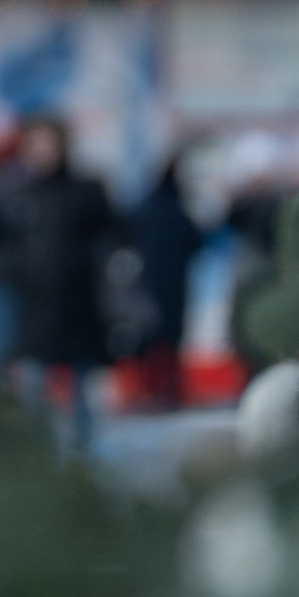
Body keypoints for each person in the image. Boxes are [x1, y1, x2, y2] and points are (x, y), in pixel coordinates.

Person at [0, 117, 115, 459]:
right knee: (33, 389)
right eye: (34, 146)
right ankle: (36, 459)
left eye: (47, 145)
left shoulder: (85, 191)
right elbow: (3, 245)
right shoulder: (19, 195)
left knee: (80, 391)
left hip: (79, 304)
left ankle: (84, 458)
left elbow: (113, 236)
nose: (41, 153)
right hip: (35, 307)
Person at [127, 153, 203, 409]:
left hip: (147, 282)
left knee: (147, 337)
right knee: (170, 339)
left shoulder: (146, 206)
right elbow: (196, 242)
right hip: (175, 284)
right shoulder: (179, 209)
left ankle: (146, 391)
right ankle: (170, 391)